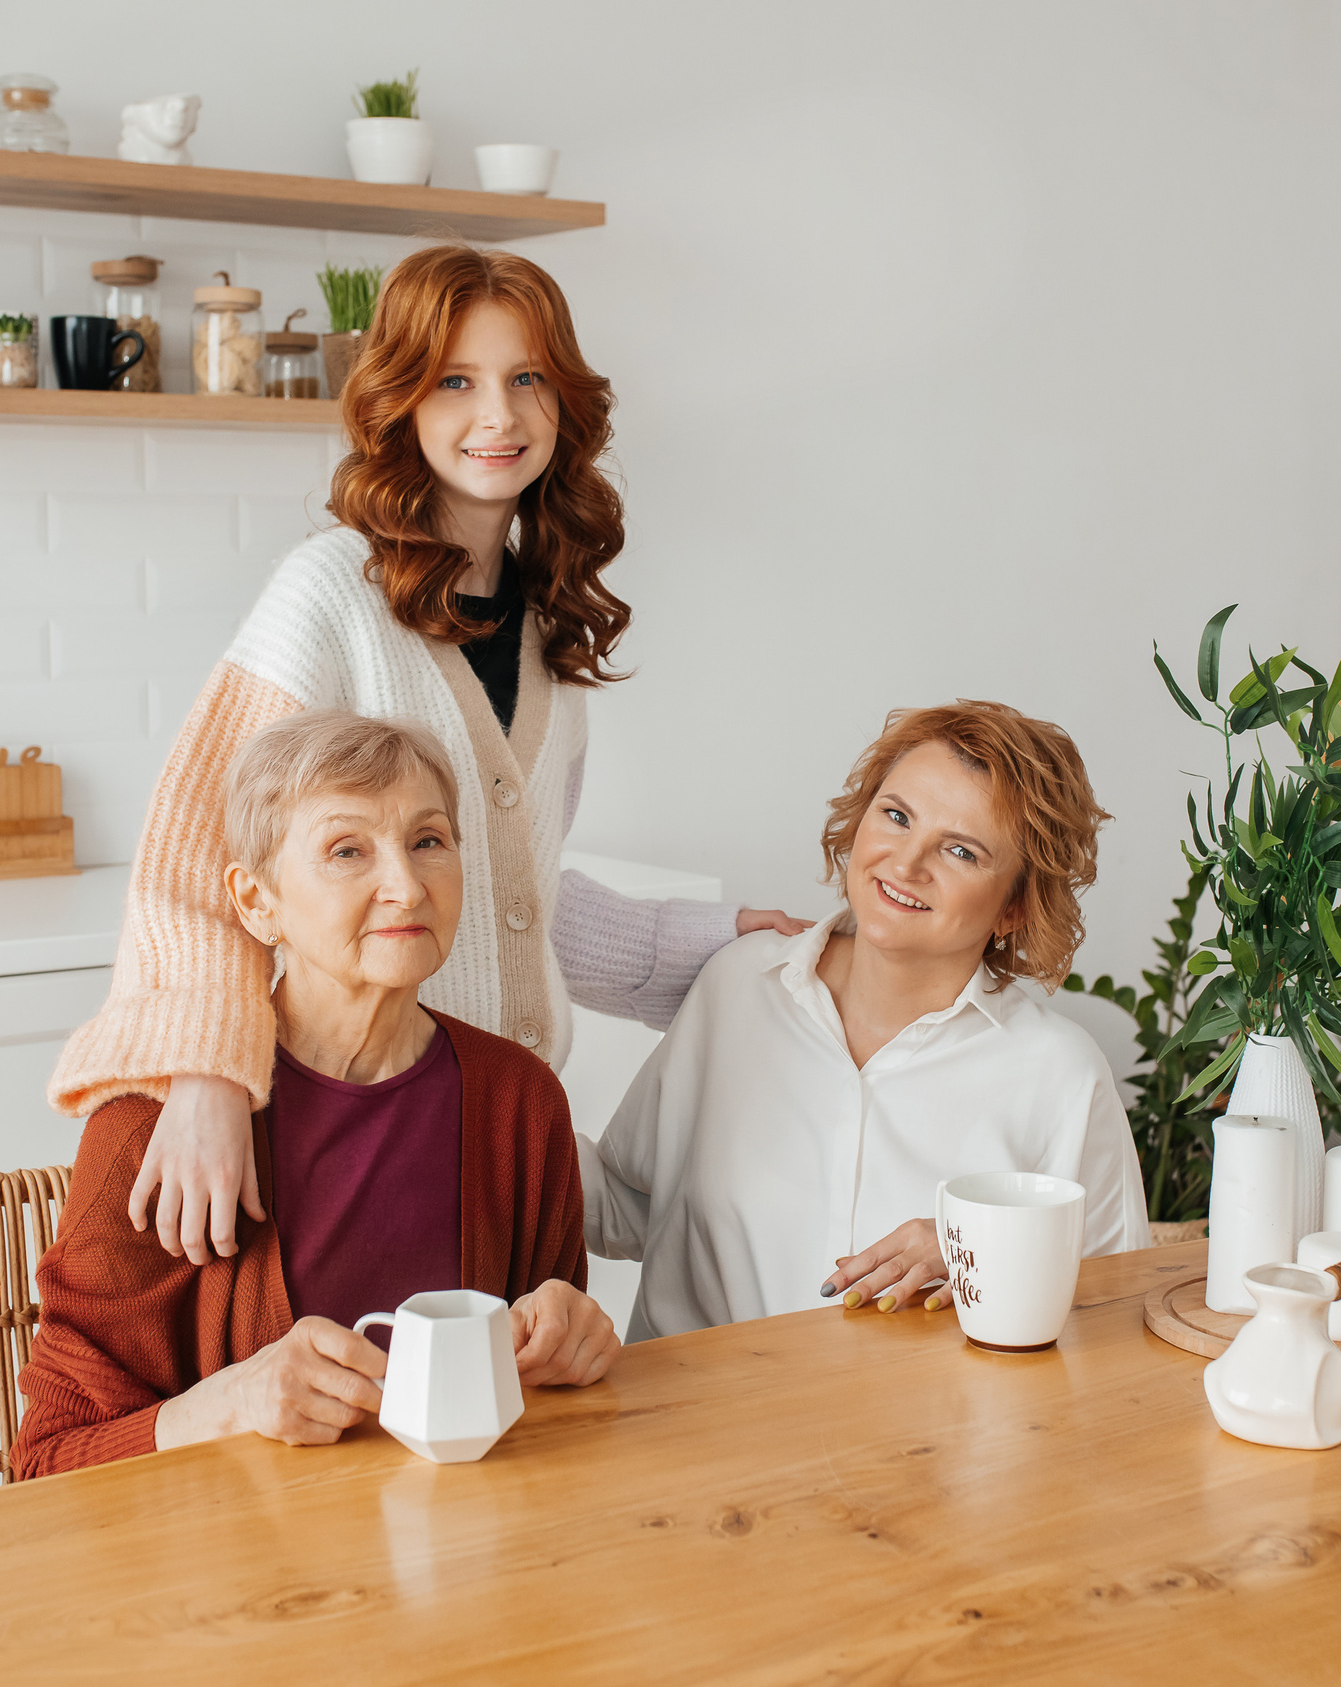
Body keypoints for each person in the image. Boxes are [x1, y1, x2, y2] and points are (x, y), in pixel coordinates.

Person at [47, 244, 807, 1267]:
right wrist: (206, 1079)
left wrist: (703, 941)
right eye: (456, 381)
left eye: (525, 378)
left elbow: (507, 890)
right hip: (356, 1127)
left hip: (490, 1134)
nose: (497, 416)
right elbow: (196, 866)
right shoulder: (327, 597)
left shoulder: (545, 623)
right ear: (398, 401)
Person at [15, 711, 617, 1475]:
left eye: (428, 840)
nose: (405, 884)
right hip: (236, 1577)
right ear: (257, 901)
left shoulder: (520, 1103)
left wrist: (575, 1337)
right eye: (346, 850)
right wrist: (233, 1403)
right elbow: (46, 1461)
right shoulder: (152, 1130)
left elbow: (545, 1412)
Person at [583, 701, 1149, 1340]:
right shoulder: (737, 985)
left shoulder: (1060, 1074)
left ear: (1015, 907)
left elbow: (1117, 1306)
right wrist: (475, 1111)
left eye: (960, 850)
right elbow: (631, 1211)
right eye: (897, 816)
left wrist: (981, 1251)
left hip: (913, 1440)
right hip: (684, 1430)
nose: (906, 864)